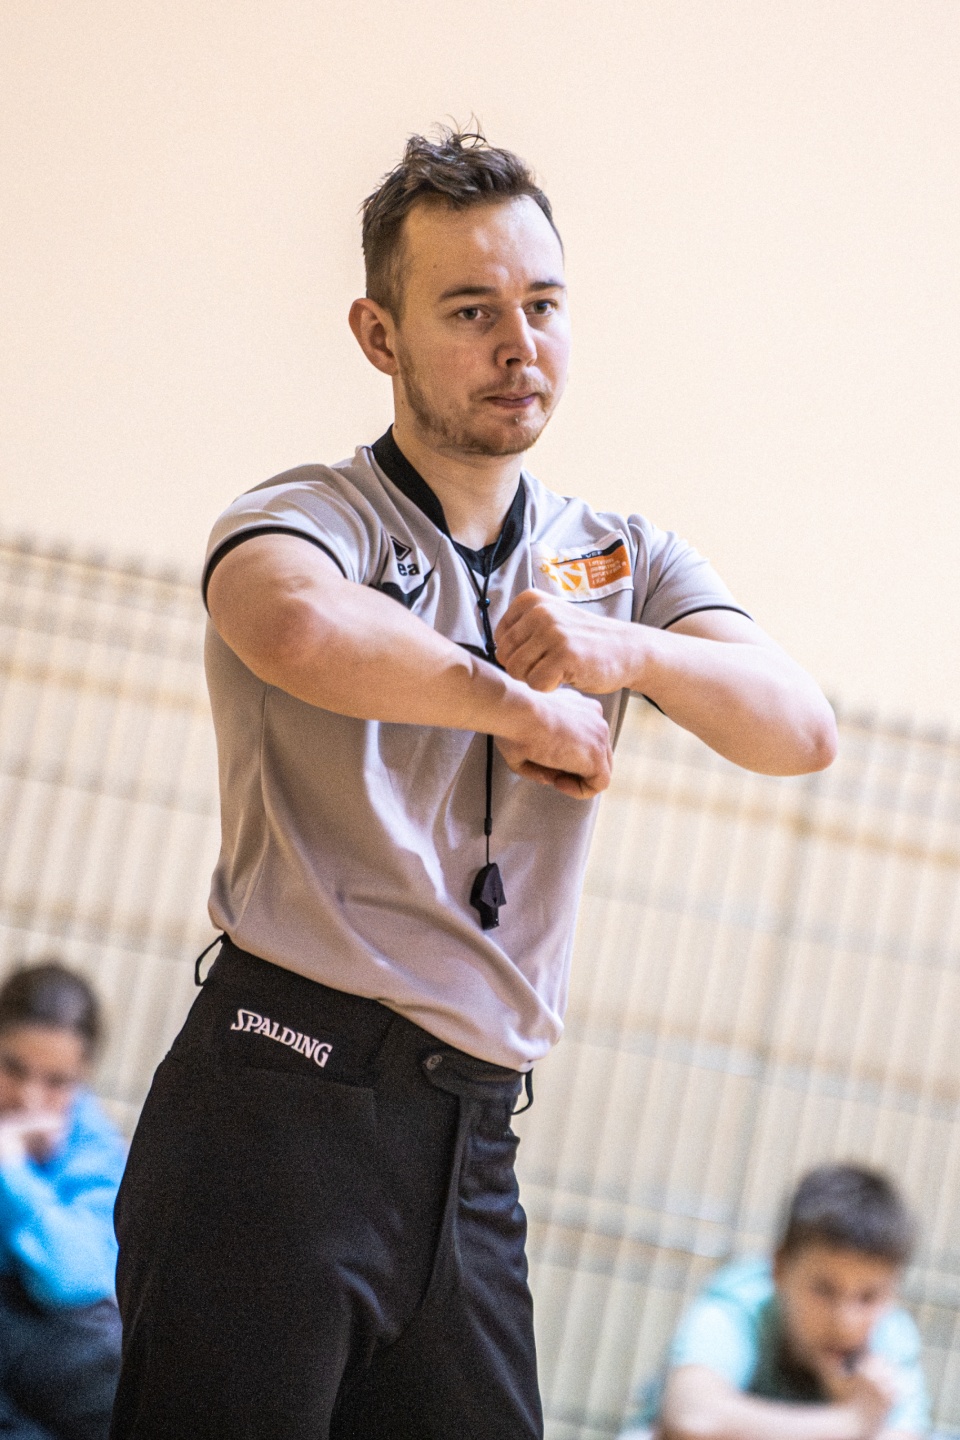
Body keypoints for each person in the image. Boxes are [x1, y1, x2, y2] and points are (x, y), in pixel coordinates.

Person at [109, 128, 838, 1440]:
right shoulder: (308, 516)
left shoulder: (623, 558)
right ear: (378, 335)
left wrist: (623, 652)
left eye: (543, 306)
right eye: (470, 311)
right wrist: (518, 701)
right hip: (277, 1104)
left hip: (473, 1144)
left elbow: (800, 728)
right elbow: (297, 627)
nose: (519, 346)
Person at [624, 1165, 930, 1440]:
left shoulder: (891, 1336)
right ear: (780, 1268)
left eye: (869, 1297)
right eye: (823, 1290)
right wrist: (851, 1421)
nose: (844, 1322)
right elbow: (692, 1419)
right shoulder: (741, 1303)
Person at [0, 961, 126, 1440]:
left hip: (52, 1339)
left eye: (56, 1082)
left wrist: (11, 1169)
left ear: (83, 1076)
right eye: (13, 1069)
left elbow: (71, 1281)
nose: (29, 1099)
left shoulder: (95, 1146)